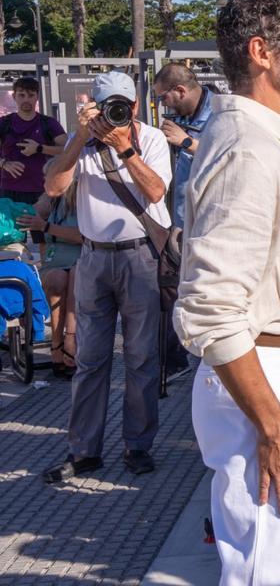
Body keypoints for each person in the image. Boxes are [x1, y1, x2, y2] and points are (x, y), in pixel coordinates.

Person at [173, 0, 280, 585]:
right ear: (262, 52)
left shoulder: (263, 138)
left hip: (278, 372)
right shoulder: (247, 148)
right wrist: (273, 425)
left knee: (271, 566)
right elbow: (210, 309)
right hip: (264, 380)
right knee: (265, 573)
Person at [41, 71, 171, 484]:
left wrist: (125, 149)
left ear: (134, 106)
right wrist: (79, 138)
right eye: (105, 106)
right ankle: (83, 452)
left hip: (141, 258)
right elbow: (55, 187)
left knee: (141, 358)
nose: (114, 113)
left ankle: (138, 446)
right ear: (92, 108)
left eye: (122, 105)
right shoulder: (83, 143)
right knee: (89, 360)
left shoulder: (149, 138)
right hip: (94, 257)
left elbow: (155, 192)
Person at [19, 181, 83, 379]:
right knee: (57, 279)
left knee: (76, 273)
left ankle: (70, 340)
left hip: (83, 258)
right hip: (55, 259)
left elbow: (86, 236)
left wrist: (47, 227)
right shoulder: (54, 196)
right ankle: (57, 341)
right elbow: (32, 212)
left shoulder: (87, 197)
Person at [152, 63, 215, 228]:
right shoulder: (181, 114)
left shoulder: (221, 114)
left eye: (163, 97)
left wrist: (187, 142)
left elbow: (228, 157)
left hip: (206, 223)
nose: (163, 104)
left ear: (180, 91)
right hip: (179, 221)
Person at [0, 76, 68, 208]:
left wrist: (39, 148)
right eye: (22, 95)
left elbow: (68, 149)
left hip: (42, 191)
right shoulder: (4, 123)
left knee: (39, 228)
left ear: (37, 97)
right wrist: (4, 163)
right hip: (7, 190)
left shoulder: (48, 123)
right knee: (9, 228)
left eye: (31, 95)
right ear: (14, 96)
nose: (26, 99)